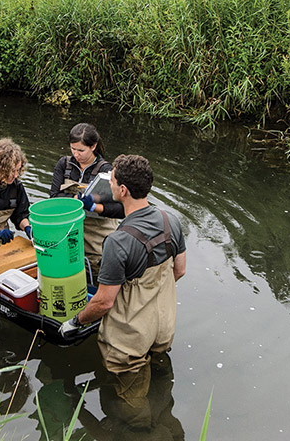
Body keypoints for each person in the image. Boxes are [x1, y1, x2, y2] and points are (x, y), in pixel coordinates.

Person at [58, 155, 186, 414]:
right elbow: (180, 271)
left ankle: (139, 429)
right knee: (160, 391)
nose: (110, 185)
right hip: (164, 326)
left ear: (123, 190)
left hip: (131, 338)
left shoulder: (118, 241)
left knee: (130, 409)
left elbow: (104, 302)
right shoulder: (170, 220)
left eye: (112, 181)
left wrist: (74, 322)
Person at [48, 123, 120, 273]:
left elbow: (120, 208)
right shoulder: (64, 165)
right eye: (73, 149)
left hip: (97, 235)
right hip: (70, 231)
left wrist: (93, 206)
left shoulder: (107, 171)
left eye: (81, 150)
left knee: (96, 271)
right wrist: (75, 199)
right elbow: (54, 196)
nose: (76, 154)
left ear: (93, 146)